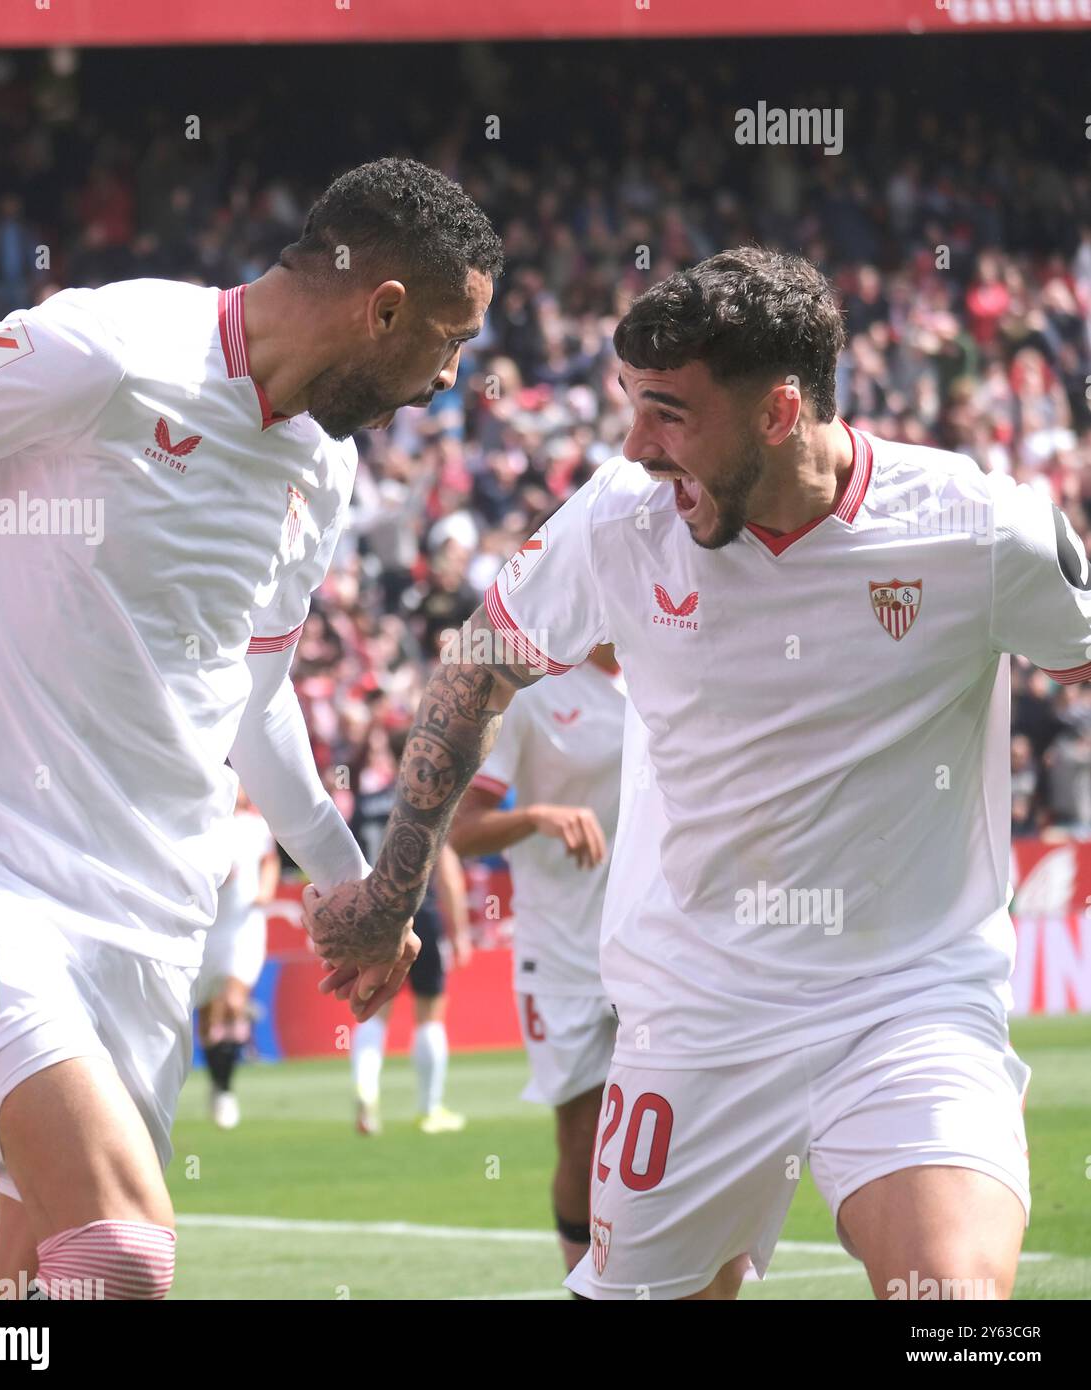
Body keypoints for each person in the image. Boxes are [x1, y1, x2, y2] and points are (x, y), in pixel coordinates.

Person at [305, 246, 1069, 1301]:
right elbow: (473, 667)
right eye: (629, 404)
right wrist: (391, 896)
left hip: (904, 1001)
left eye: (666, 412)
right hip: (693, 1013)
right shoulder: (619, 522)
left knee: (953, 1299)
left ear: (776, 412)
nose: (634, 444)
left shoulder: (981, 530)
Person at [0, 156, 501, 1300]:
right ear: (381, 309)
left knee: (33, 1289)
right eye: (445, 340)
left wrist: (347, 881)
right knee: (121, 1253)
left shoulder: (320, 470)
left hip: (154, 916)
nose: (444, 379)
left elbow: (254, 696)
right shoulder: (110, 349)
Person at [449, 642, 624, 1273]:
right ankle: (585, 1283)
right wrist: (540, 816)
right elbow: (461, 829)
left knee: (683, 1130)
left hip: (661, 948)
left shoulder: (673, 667)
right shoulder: (534, 692)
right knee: (584, 1137)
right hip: (564, 954)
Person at [349, 724, 471, 1135]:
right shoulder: (429, 803)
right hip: (422, 913)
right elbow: (449, 874)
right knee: (430, 1013)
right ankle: (429, 1109)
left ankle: (367, 1094)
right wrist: (461, 932)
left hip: (372, 915)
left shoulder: (365, 802)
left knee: (373, 1012)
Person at [194, 785, 279, 1130]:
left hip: (244, 924)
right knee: (208, 1012)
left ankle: (227, 1091)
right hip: (208, 928)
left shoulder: (255, 826)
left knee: (232, 999)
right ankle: (218, 1081)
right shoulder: (202, 823)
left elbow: (269, 860)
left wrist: (266, 891)